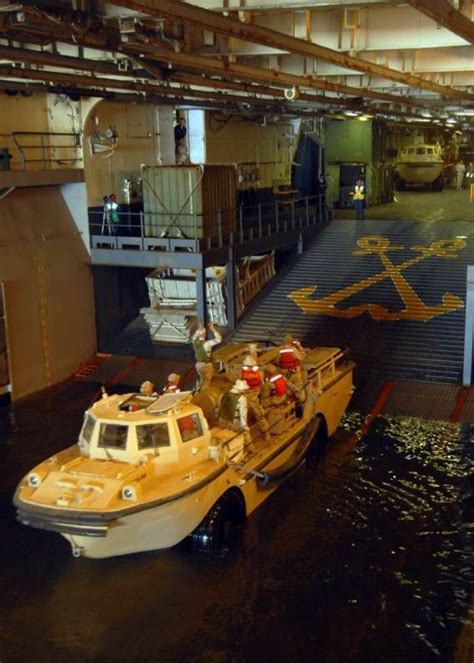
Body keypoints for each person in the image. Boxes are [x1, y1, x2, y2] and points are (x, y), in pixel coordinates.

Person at [240, 353, 270, 441]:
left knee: (258, 414)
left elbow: (261, 384)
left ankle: (266, 431)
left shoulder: (256, 373)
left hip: (252, 396)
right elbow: (262, 384)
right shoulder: (257, 372)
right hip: (246, 395)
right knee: (245, 416)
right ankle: (245, 436)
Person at [191, 321, 222, 391]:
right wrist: (213, 329)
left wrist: (200, 326)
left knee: (202, 380)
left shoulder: (194, 341)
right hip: (206, 365)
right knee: (206, 381)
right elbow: (219, 339)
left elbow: (197, 334)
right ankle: (203, 394)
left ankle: (198, 391)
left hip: (198, 364)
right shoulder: (207, 344)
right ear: (204, 334)